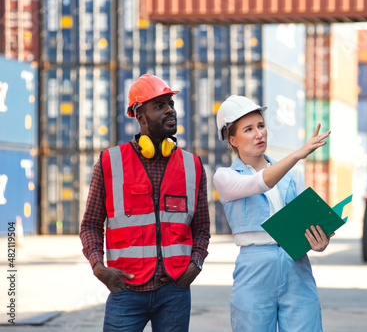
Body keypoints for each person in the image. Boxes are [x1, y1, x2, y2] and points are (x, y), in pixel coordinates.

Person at [80, 74, 210, 332]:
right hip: (126, 291)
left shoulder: (192, 166)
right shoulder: (109, 162)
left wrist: (196, 264)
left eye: (170, 103)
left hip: (175, 289)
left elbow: (202, 227)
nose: (170, 110)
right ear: (140, 117)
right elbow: (91, 224)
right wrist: (99, 268)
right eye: (159, 106)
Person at [213, 95, 333, 332]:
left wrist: (321, 241)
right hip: (254, 269)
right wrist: (297, 154)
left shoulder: (294, 174)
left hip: (296, 265)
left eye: (261, 125)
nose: (259, 134)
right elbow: (259, 183)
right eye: (248, 129)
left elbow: (308, 221)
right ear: (232, 139)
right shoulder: (225, 177)